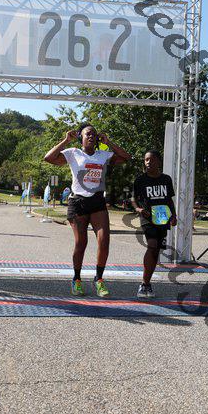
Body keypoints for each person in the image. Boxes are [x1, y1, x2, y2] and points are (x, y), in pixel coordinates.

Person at [44, 123, 130, 297]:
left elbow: (126, 157)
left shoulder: (103, 155)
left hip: (97, 200)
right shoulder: (73, 153)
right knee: (81, 243)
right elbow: (49, 158)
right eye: (87, 134)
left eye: (94, 134)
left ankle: (99, 279)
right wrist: (66, 140)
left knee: (104, 241)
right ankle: (76, 279)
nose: (91, 136)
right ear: (80, 138)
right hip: (78, 202)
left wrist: (108, 142)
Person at [132, 150, 177, 299]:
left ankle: (147, 283)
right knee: (152, 245)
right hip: (147, 218)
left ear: (158, 161)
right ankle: (144, 284)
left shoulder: (166, 179)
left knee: (156, 250)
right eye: (146, 160)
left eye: (151, 159)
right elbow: (133, 199)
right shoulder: (140, 180)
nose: (148, 162)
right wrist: (138, 209)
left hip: (162, 218)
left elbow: (169, 200)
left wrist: (174, 215)